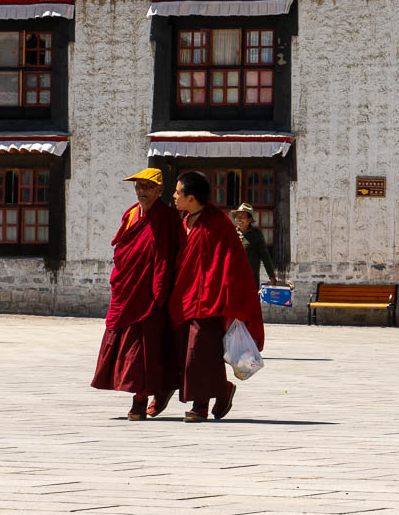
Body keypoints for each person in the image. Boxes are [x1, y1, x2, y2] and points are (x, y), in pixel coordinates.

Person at [168, 171, 264, 423]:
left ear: (190, 198)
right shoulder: (184, 222)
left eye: (178, 192)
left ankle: (200, 406)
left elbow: (231, 262)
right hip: (185, 296)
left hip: (211, 298)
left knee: (199, 353)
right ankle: (223, 389)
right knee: (187, 352)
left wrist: (227, 297)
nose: (174, 196)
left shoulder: (217, 222)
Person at [92, 168, 184, 420]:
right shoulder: (131, 214)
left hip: (150, 292)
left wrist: (160, 291)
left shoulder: (167, 217)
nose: (142, 191)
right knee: (125, 345)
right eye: (138, 186)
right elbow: (121, 248)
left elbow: (167, 257)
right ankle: (157, 390)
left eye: (147, 186)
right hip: (126, 288)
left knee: (144, 350)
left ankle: (139, 401)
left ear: (159, 190)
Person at [230, 203, 278, 287]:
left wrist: (272, 277)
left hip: (250, 280)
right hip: (234, 279)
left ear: (249, 220)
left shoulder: (256, 235)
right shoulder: (232, 234)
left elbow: (265, 256)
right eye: (237, 217)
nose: (239, 219)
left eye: (243, 217)